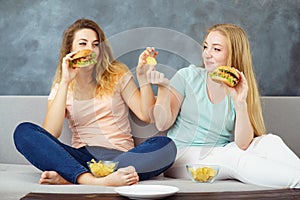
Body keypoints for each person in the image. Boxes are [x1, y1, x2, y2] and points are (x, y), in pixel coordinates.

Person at [13, 18, 176, 186]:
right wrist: (65, 81)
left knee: (166, 146)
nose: (90, 49)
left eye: (95, 44)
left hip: (121, 158)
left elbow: (146, 115)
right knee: (23, 131)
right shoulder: (62, 86)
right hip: (81, 158)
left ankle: (73, 178)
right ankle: (90, 180)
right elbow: (50, 133)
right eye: (83, 44)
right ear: (70, 49)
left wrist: (142, 77)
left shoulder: (117, 74)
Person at [147, 23, 300, 188]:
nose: (207, 54)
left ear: (233, 55)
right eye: (206, 47)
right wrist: (163, 87)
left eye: (216, 49)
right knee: (232, 157)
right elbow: (162, 124)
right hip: (181, 155)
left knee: (270, 141)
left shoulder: (238, 86)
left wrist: (240, 103)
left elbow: (243, 144)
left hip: (220, 150)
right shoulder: (187, 76)